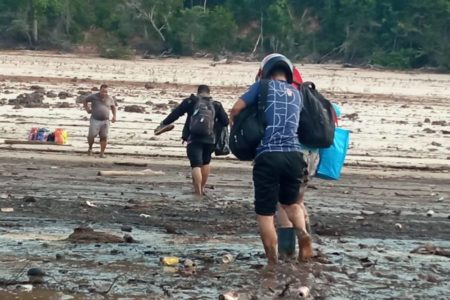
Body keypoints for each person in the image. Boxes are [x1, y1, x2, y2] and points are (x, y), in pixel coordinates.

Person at [230, 54, 313, 265]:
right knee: (291, 203)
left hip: (268, 154)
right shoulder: (297, 93)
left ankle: (272, 262)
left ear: (266, 71)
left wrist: (235, 125)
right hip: (294, 155)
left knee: (265, 213)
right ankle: (302, 233)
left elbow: (237, 108)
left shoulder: (262, 86)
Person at [154, 85, 229, 196]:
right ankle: (202, 189)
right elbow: (225, 121)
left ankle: (197, 191)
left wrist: (164, 123)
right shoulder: (216, 104)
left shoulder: (190, 101)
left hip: (193, 138)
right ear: (209, 93)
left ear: (198, 92)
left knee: (195, 165)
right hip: (210, 139)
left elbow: (176, 114)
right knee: (206, 162)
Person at [83, 84, 117, 158]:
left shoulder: (110, 98)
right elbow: (85, 100)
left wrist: (114, 116)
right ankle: (90, 148)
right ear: (100, 90)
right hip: (95, 119)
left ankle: (102, 153)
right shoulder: (93, 96)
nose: (104, 93)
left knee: (104, 137)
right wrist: (87, 109)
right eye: (102, 91)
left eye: (106, 92)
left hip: (105, 121)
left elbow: (113, 107)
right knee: (91, 136)